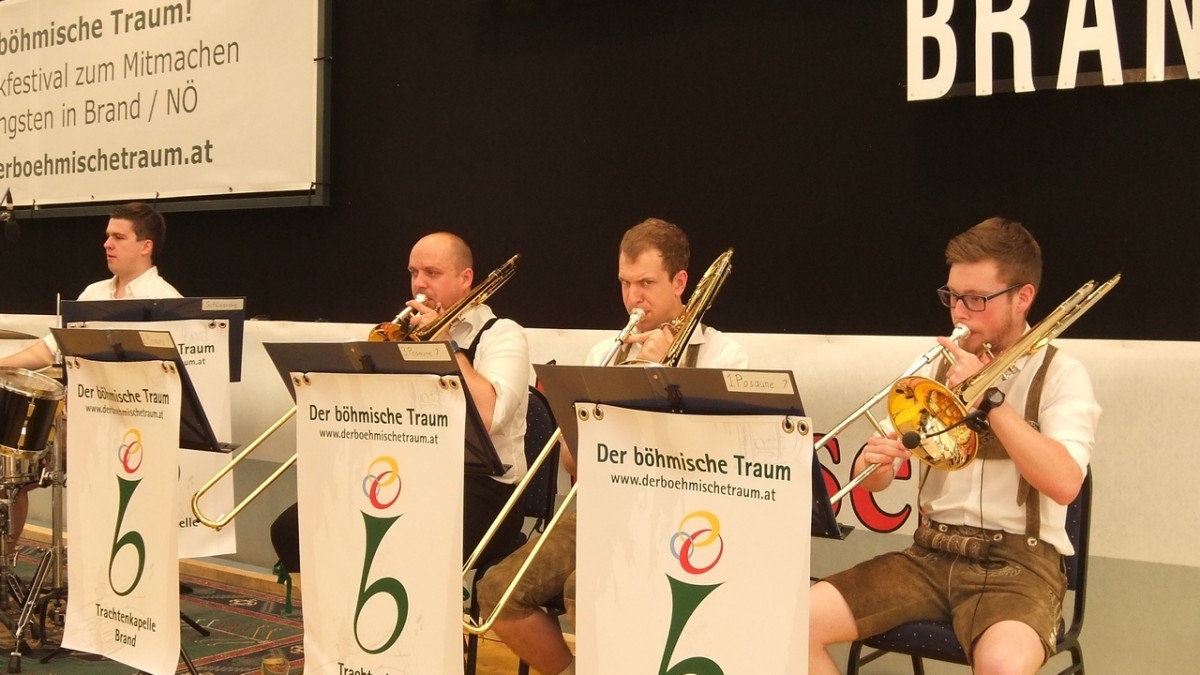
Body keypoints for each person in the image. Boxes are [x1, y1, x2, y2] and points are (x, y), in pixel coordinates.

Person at [808, 217, 1101, 675]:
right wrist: (876, 465)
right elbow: (875, 484)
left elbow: (1065, 483)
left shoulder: (1062, 375)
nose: (960, 313)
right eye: (953, 297)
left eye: (977, 299)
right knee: (791, 621)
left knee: (1002, 666)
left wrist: (992, 400)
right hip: (929, 554)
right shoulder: (936, 371)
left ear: (1023, 297)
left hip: (1018, 567)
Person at [476, 218, 748, 675]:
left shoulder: (724, 355)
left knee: (588, 589)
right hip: (604, 510)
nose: (633, 298)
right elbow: (571, 461)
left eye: (646, 283)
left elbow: (718, 464)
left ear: (680, 281)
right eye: (625, 283)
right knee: (497, 591)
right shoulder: (604, 353)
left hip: (684, 519)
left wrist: (663, 374)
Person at [269, 232, 531, 570]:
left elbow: (487, 416)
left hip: (485, 486)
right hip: (411, 472)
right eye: (413, 272)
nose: (419, 284)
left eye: (432, 273)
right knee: (292, 530)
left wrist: (447, 346)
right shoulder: (404, 333)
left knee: (401, 544)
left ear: (465, 278)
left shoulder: (502, 335)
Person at [0, 201, 181, 549]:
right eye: (107, 236)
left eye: (118, 237)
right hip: (83, 423)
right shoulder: (93, 294)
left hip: (136, 431)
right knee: (11, 477)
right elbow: (48, 350)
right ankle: (4, 562)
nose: (107, 244)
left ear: (146, 246)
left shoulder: (167, 302)